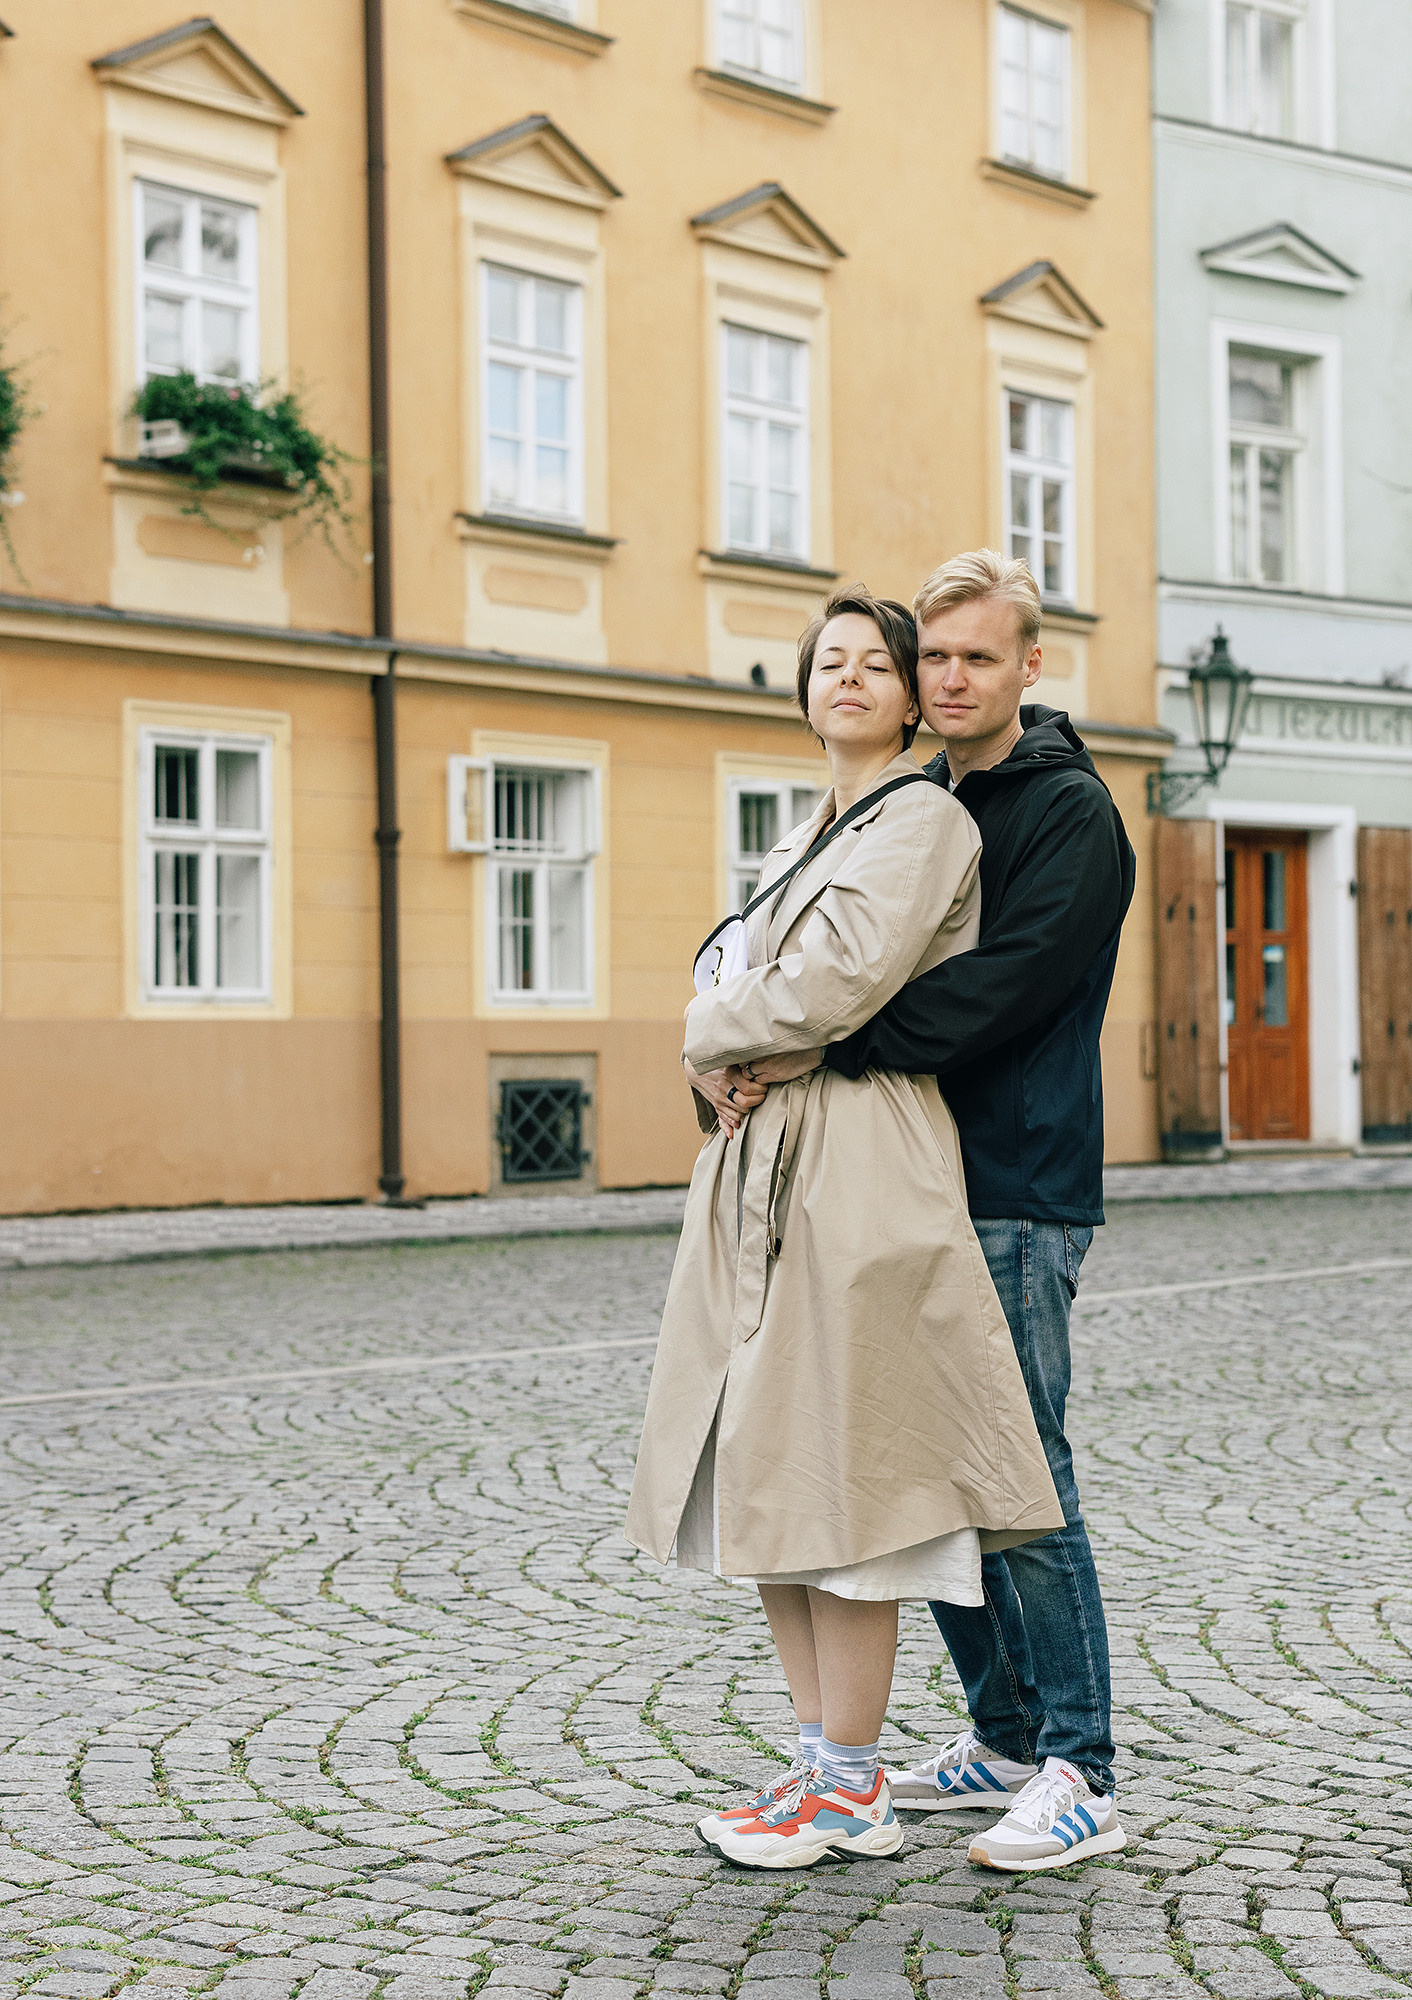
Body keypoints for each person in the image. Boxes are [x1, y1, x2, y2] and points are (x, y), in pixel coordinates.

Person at [705, 551, 1135, 1874]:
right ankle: (1003, 1737)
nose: (950, 680)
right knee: (928, 1482)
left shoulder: (1067, 816)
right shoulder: (912, 799)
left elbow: (993, 996)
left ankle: (1081, 1766)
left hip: (1012, 1183)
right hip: (913, 1178)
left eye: (976, 659)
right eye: (932, 658)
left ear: (1028, 667)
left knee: (1021, 1481)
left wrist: (814, 1045)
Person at [624, 585, 1065, 1872]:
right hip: (765, 1168)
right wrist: (724, 1039)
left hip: (859, 1168)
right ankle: (820, 1760)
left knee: (845, 1486)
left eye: (880, 661)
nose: (854, 679)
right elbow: (741, 977)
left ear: (909, 690)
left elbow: (828, 982)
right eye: (832, 662)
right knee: (764, 1477)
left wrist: (708, 1031)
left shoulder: (921, 818)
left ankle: (854, 1783)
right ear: (804, 687)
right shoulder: (806, 829)